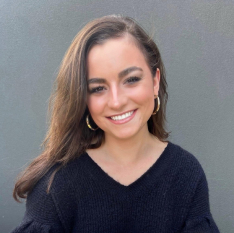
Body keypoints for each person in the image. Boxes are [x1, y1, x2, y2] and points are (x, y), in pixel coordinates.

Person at [11, 15, 220, 233]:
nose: (117, 101)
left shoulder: (186, 174)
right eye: (98, 88)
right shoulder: (55, 184)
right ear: (82, 98)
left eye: (131, 79)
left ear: (155, 81)